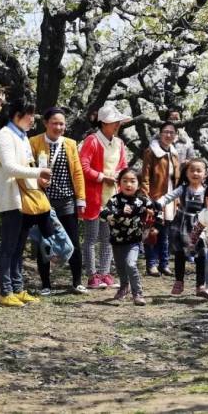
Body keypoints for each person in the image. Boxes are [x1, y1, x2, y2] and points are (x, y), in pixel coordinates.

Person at [0, 98, 52, 306]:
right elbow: (9, 167)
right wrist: (38, 172)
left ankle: (18, 288)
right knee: (8, 247)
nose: (32, 120)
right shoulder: (4, 136)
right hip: (11, 198)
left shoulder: (22, 136)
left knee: (19, 247)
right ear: (17, 115)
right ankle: (5, 291)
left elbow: (25, 165)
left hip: (25, 198)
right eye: (29, 115)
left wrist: (38, 179)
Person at [29, 107, 88, 295]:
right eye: (54, 122)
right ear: (45, 123)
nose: (59, 127)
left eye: (62, 123)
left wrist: (81, 199)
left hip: (67, 200)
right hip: (43, 201)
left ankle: (77, 281)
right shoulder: (34, 141)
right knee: (44, 243)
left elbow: (77, 172)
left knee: (73, 241)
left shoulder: (70, 143)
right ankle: (46, 284)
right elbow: (29, 167)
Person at [79, 103, 129, 289]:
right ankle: (92, 275)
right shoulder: (92, 140)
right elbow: (83, 167)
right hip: (94, 195)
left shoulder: (119, 143)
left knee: (108, 237)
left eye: (118, 122)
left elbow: (123, 165)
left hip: (112, 195)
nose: (117, 125)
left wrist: (118, 176)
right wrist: (102, 177)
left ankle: (105, 272)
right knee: (91, 237)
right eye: (113, 122)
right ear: (103, 123)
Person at [100, 168, 160, 306]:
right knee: (121, 267)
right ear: (119, 183)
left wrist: (153, 214)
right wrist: (119, 213)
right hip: (117, 241)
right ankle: (123, 287)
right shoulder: (114, 200)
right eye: (125, 181)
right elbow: (103, 215)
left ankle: (137, 293)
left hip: (134, 241)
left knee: (130, 264)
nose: (128, 184)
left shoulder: (142, 200)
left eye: (132, 181)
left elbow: (157, 210)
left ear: (138, 185)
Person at [157, 158, 207, 296]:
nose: (195, 173)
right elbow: (168, 197)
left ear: (205, 173)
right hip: (181, 223)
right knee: (179, 253)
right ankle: (179, 281)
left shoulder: (207, 191)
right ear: (186, 173)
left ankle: (200, 284)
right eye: (192, 170)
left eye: (199, 170)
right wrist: (158, 203)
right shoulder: (183, 188)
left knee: (201, 255)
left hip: (199, 224)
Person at [141, 121, 180, 277]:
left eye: (172, 132)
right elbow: (144, 177)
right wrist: (146, 198)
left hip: (170, 198)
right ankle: (152, 264)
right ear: (160, 133)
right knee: (153, 232)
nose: (168, 135)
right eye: (166, 132)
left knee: (165, 233)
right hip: (156, 196)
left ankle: (164, 263)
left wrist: (178, 199)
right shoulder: (151, 152)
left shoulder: (174, 153)